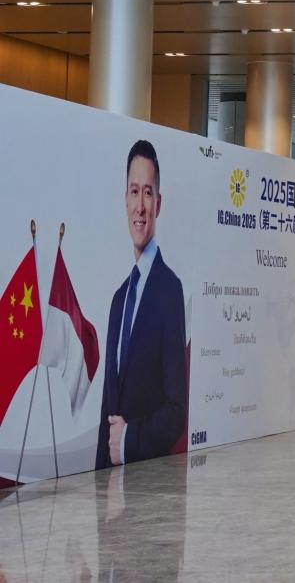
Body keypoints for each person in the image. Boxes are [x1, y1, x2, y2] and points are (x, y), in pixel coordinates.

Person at [97, 140, 187, 470]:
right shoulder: (119, 300)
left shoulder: (170, 290)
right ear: (125, 200)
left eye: (147, 193)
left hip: (149, 484)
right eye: (134, 192)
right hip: (111, 486)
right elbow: (107, 414)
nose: (140, 206)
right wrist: (99, 484)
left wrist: (129, 440)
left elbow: (176, 411)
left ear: (158, 204)